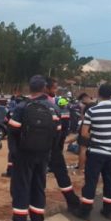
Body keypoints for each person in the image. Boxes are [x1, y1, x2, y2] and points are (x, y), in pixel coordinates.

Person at [0, 75, 60, 221]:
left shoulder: (22, 107)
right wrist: (49, 152)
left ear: (30, 88)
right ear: (44, 88)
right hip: (43, 155)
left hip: (24, 155)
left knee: (21, 188)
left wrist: (15, 153)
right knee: (39, 187)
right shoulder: (53, 108)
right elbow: (58, 133)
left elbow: (12, 131)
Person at [74, 84, 111, 221]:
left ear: (98, 94)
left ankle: (85, 211)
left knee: (91, 181)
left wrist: (96, 138)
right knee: (109, 181)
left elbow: (84, 132)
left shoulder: (92, 110)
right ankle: (108, 210)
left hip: (95, 152)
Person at [44, 79, 81, 211]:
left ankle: (39, 200)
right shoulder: (52, 105)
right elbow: (60, 129)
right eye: (54, 88)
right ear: (46, 88)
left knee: (39, 175)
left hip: (40, 147)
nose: (56, 91)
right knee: (62, 175)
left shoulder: (31, 104)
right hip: (53, 147)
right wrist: (59, 146)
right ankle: (72, 202)